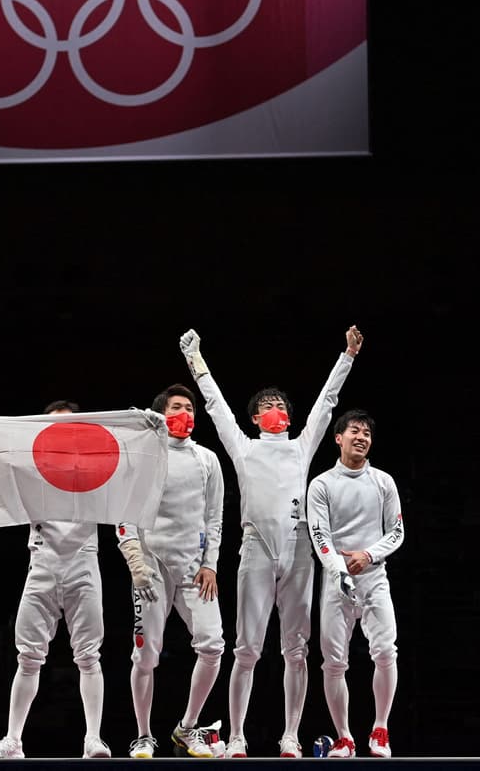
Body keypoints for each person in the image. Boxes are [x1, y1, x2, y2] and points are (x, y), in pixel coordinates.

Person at [178, 325, 364, 758]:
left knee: (295, 650)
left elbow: (327, 402)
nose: (274, 408)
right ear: (255, 419)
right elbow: (215, 406)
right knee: (246, 649)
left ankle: (290, 737)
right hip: (256, 548)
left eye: (280, 405)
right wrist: (196, 361)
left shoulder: (301, 448)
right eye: (266, 406)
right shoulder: (243, 448)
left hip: (299, 548)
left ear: (290, 417)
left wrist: (348, 356)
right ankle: (239, 736)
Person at [0, 401, 111, 760]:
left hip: (83, 563)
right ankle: (13, 740)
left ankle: (93, 739)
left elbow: (134, 461)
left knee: (89, 656)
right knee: (28, 657)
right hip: (42, 562)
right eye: (55, 425)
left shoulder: (100, 468)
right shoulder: (33, 467)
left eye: (69, 425)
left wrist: (149, 429)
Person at [118, 384, 226, 759]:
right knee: (146, 656)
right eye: (177, 407)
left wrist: (211, 563)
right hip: (152, 567)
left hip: (194, 569)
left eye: (190, 407)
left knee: (213, 645)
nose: (186, 413)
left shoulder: (207, 459)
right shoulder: (144, 456)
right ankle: (144, 735)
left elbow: (215, 517)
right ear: (161, 413)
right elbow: (124, 512)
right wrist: (135, 563)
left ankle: (187, 728)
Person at [306, 409, 404, 759]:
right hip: (336, 581)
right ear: (338, 438)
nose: (361, 437)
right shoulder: (321, 485)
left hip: (374, 578)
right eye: (355, 431)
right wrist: (340, 571)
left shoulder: (383, 482)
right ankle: (344, 737)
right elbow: (320, 535)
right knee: (333, 662)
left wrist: (369, 556)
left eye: (367, 433)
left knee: (386, 651)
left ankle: (381, 729)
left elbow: (396, 531)